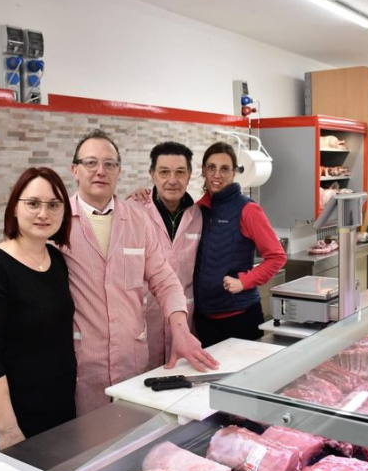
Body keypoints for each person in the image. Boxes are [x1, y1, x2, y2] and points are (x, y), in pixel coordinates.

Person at [62, 130, 219, 414]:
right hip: (82, 363)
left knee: (134, 436)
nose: (101, 171)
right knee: (88, 444)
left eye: (110, 164)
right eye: (91, 163)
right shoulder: (58, 223)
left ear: (119, 171)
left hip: (132, 360)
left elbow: (165, 279)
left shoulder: (137, 220)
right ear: (75, 170)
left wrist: (180, 329)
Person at [0, 167, 75, 452]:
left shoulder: (55, 259)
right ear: (15, 207)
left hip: (59, 410)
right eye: (33, 203)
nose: (43, 213)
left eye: (53, 205)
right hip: (14, 420)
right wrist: (9, 430)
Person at [194, 142, 287, 347]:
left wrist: (244, 282)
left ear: (234, 173)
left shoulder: (247, 210)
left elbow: (277, 257)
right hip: (204, 319)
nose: (217, 174)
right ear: (203, 171)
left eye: (224, 169)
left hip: (240, 317)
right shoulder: (198, 210)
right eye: (211, 167)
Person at [127, 141, 203, 368]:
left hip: (184, 318)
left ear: (189, 176)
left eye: (180, 172)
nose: (172, 180)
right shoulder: (132, 210)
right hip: (144, 319)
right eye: (164, 172)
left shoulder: (198, 214)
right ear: (152, 175)